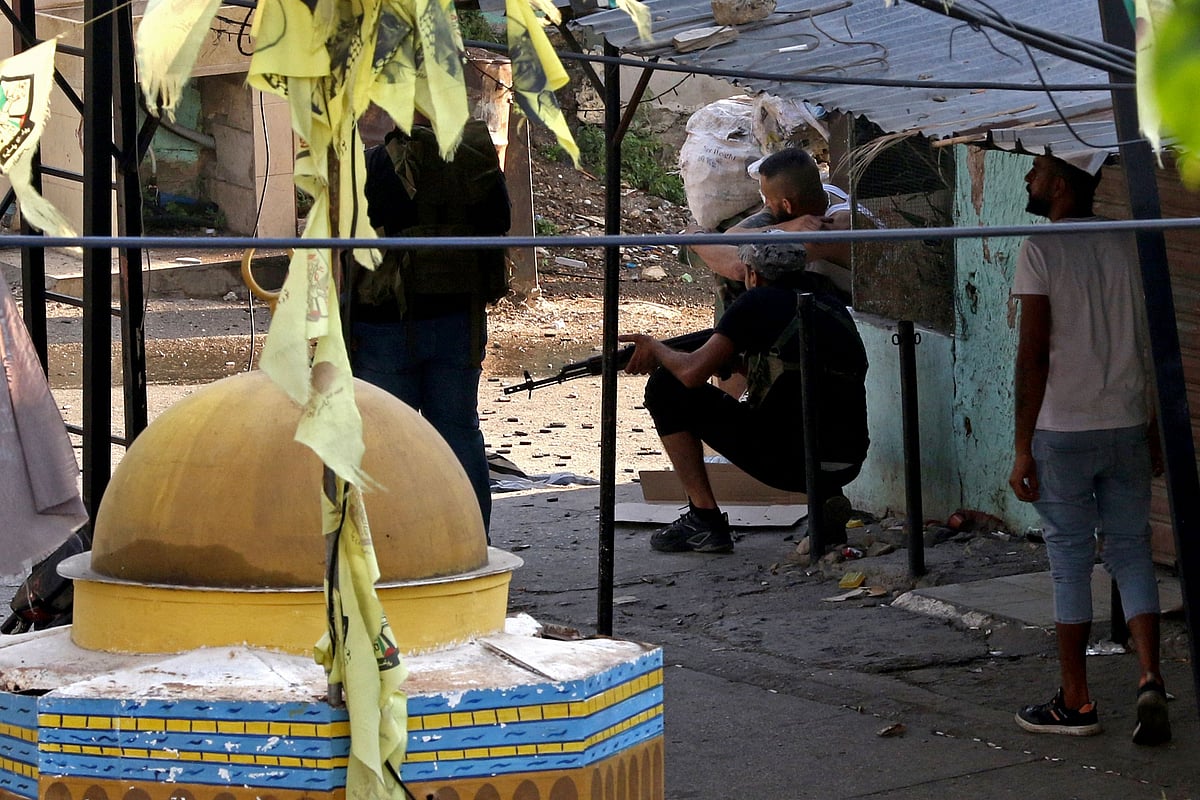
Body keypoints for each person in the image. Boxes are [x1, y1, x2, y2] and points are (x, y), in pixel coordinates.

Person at [1008, 153, 1169, 745]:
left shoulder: (1040, 248)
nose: (1028, 180)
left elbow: (1032, 356)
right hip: (1125, 422)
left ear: (1057, 184)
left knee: (1070, 561)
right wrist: (1151, 420)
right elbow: (1149, 338)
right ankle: (1150, 674)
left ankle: (1076, 701)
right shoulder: (1127, 243)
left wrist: (1022, 446)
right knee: (1131, 552)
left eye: (1034, 172)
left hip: (1063, 431)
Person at [619, 238, 869, 554]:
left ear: (752, 274)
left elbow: (690, 373)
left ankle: (704, 520)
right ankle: (826, 503)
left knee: (665, 386)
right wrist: (740, 366)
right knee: (813, 415)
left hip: (790, 462)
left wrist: (656, 349)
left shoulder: (757, 302)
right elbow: (804, 377)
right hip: (846, 459)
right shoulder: (827, 302)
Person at [348, 115, 511, 535]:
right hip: (458, 317)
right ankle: (473, 544)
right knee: (459, 433)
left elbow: (346, 234)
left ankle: (398, 550)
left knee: (387, 440)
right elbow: (500, 220)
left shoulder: (376, 165)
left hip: (386, 323)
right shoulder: (474, 159)